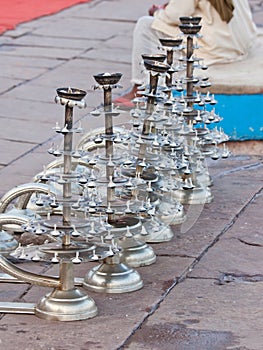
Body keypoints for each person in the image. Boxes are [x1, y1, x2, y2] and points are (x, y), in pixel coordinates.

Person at [114, 0, 257, 108]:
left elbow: (175, 15)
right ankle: (161, 78)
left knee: (145, 24)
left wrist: (158, 12)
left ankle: (139, 89)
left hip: (217, 48)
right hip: (238, 43)